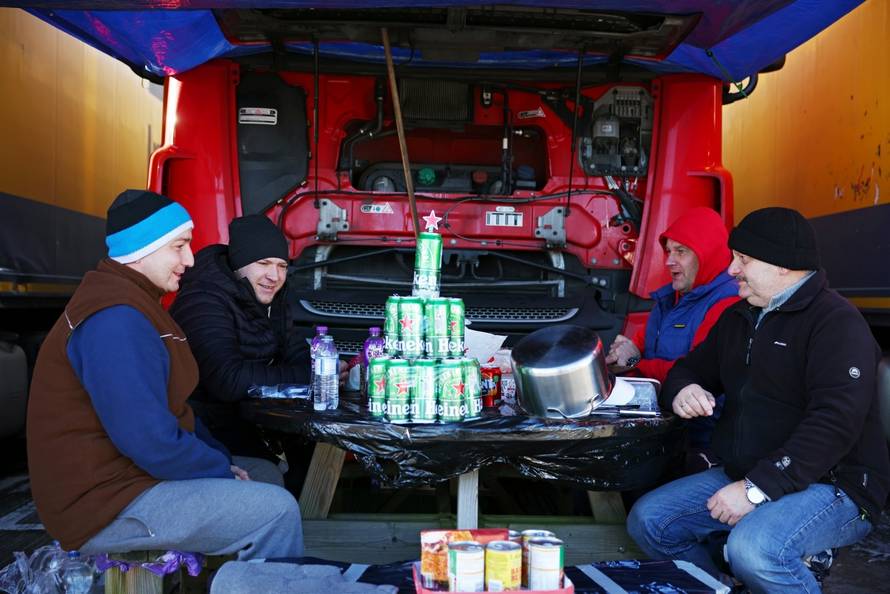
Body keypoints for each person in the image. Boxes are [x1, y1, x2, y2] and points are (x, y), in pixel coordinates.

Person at [27, 190, 303, 559]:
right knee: (276, 510)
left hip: (129, 481)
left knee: (264, 474)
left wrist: (222, 461)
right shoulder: (115, 319)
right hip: (103, 506)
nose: (189, 259)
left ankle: (235, 580)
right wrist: (218, 470)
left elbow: (175, 410)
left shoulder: (138, 304)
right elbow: (148, 439)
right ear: (144, 249)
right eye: (179, 246)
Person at [627, 207, 890, 593]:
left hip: (835, 485)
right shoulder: (740, 316)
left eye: (743, 259)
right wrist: (684, 388)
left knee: (753, 549)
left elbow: (834, 423)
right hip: (749, 471)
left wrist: (756, 489)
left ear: (783, 265)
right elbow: (689, 369)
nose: (732, 269)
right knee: (649, 521)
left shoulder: (837, 323)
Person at [169, 214, 313, 490]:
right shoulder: (204, 299)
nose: (275, 276)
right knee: (281, 472)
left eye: (282, 265)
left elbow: (296, 353)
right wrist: (311, 377)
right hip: (203, 430)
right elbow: (228, 379)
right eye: (264, 264)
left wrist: (317, 372)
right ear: (239, 264)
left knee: (310, 453)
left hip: (250, 422)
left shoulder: (272, 296)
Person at [607, 207, 739, 466]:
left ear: (707, 253)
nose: (669, 260)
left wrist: (633, 364)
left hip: (701, 440)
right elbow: (641, 345)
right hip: (661, 426)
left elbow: (695, 373)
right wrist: (623, 355)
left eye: (681, 251)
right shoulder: (669, 298)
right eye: (668, 250)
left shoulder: (728, 303)